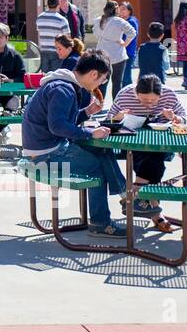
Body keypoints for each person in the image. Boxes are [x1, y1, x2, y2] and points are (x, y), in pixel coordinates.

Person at [20, 51, 128, 239]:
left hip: (45, 148)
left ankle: (126, 197)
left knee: (101, 149)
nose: (99, 85)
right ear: (94, 74)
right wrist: (90, 132)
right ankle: (101, 222)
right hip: (45, 155)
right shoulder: (64, 90)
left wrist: (86, 112)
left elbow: (60, 121)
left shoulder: (62, 85)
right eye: (101, 80)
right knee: (97, 167)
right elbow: (58, 127)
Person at [108, 74, 187, 232]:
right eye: (144, 100)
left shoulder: (169, 95)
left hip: (162, 144)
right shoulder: (124, 95)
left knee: (154, 155)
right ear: (136, 92)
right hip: (132, 143)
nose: (149, 105)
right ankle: (153, 211)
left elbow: (184, 119)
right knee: (154, 161)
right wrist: (117, 118)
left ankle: (136, 197)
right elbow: (108, 121)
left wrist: (175, 118)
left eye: (153, 101)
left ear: (161, 94)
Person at [95, 0, 134, 101]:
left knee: (102, 81)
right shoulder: (119, 21)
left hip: (102, 54)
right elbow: (132, 32)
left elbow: (95, 34)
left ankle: (99, 104)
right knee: (117, 82)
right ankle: (116, 105)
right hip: (118, 54)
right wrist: (124, 43)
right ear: (116, 10)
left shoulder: (98, 20)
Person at [34, 0, 70, 72]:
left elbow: (39, 32)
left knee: (45, 77)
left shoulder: (39, 18)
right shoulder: (62, 20)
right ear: (58, 4)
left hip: (43, 51)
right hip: (57, 51)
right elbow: (68, 37)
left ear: (47, 5)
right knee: (56, 75)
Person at [117, 1, 139, 88]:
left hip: (128, 51)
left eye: (123, 9)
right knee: (122, 75)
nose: (121, 11)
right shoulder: (120, 21)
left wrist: (124, 44)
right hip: (120, 52)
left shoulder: (132, 21)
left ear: (129, 11)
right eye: (120, 9)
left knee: (126, 75)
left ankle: (129, 93)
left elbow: (133, 35)